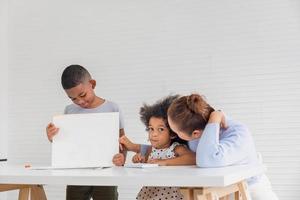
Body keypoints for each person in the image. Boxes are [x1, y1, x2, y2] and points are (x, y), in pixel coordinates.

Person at [167, 93, 278, 200]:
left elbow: (209, 159)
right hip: (221, 189)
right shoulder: (197, 130)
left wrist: (215, 118)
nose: (174, 135)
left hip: (252, 188)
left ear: (196, 133)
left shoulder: (238, 133)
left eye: (176, 132)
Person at [46, 64, 125, 200]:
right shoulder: (69, 110)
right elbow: (65, 142)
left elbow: (122, 140)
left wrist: (122, 158)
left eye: (82, 95)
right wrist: (52, 137)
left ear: (92, 84)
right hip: (77, 172)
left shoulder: (112, 108)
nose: (80, 101)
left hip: (106, 172)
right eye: (73, 98)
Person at [120, 95, 196, 200]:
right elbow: (145, 158)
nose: (154, 134)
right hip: (149, 193)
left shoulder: (175, 148)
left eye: (160, 129)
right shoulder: (152, 150)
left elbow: (192, 158)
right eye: (151, 129)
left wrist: (164, 162)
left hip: (168, 195)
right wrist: (139, 159)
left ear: (173, 133)